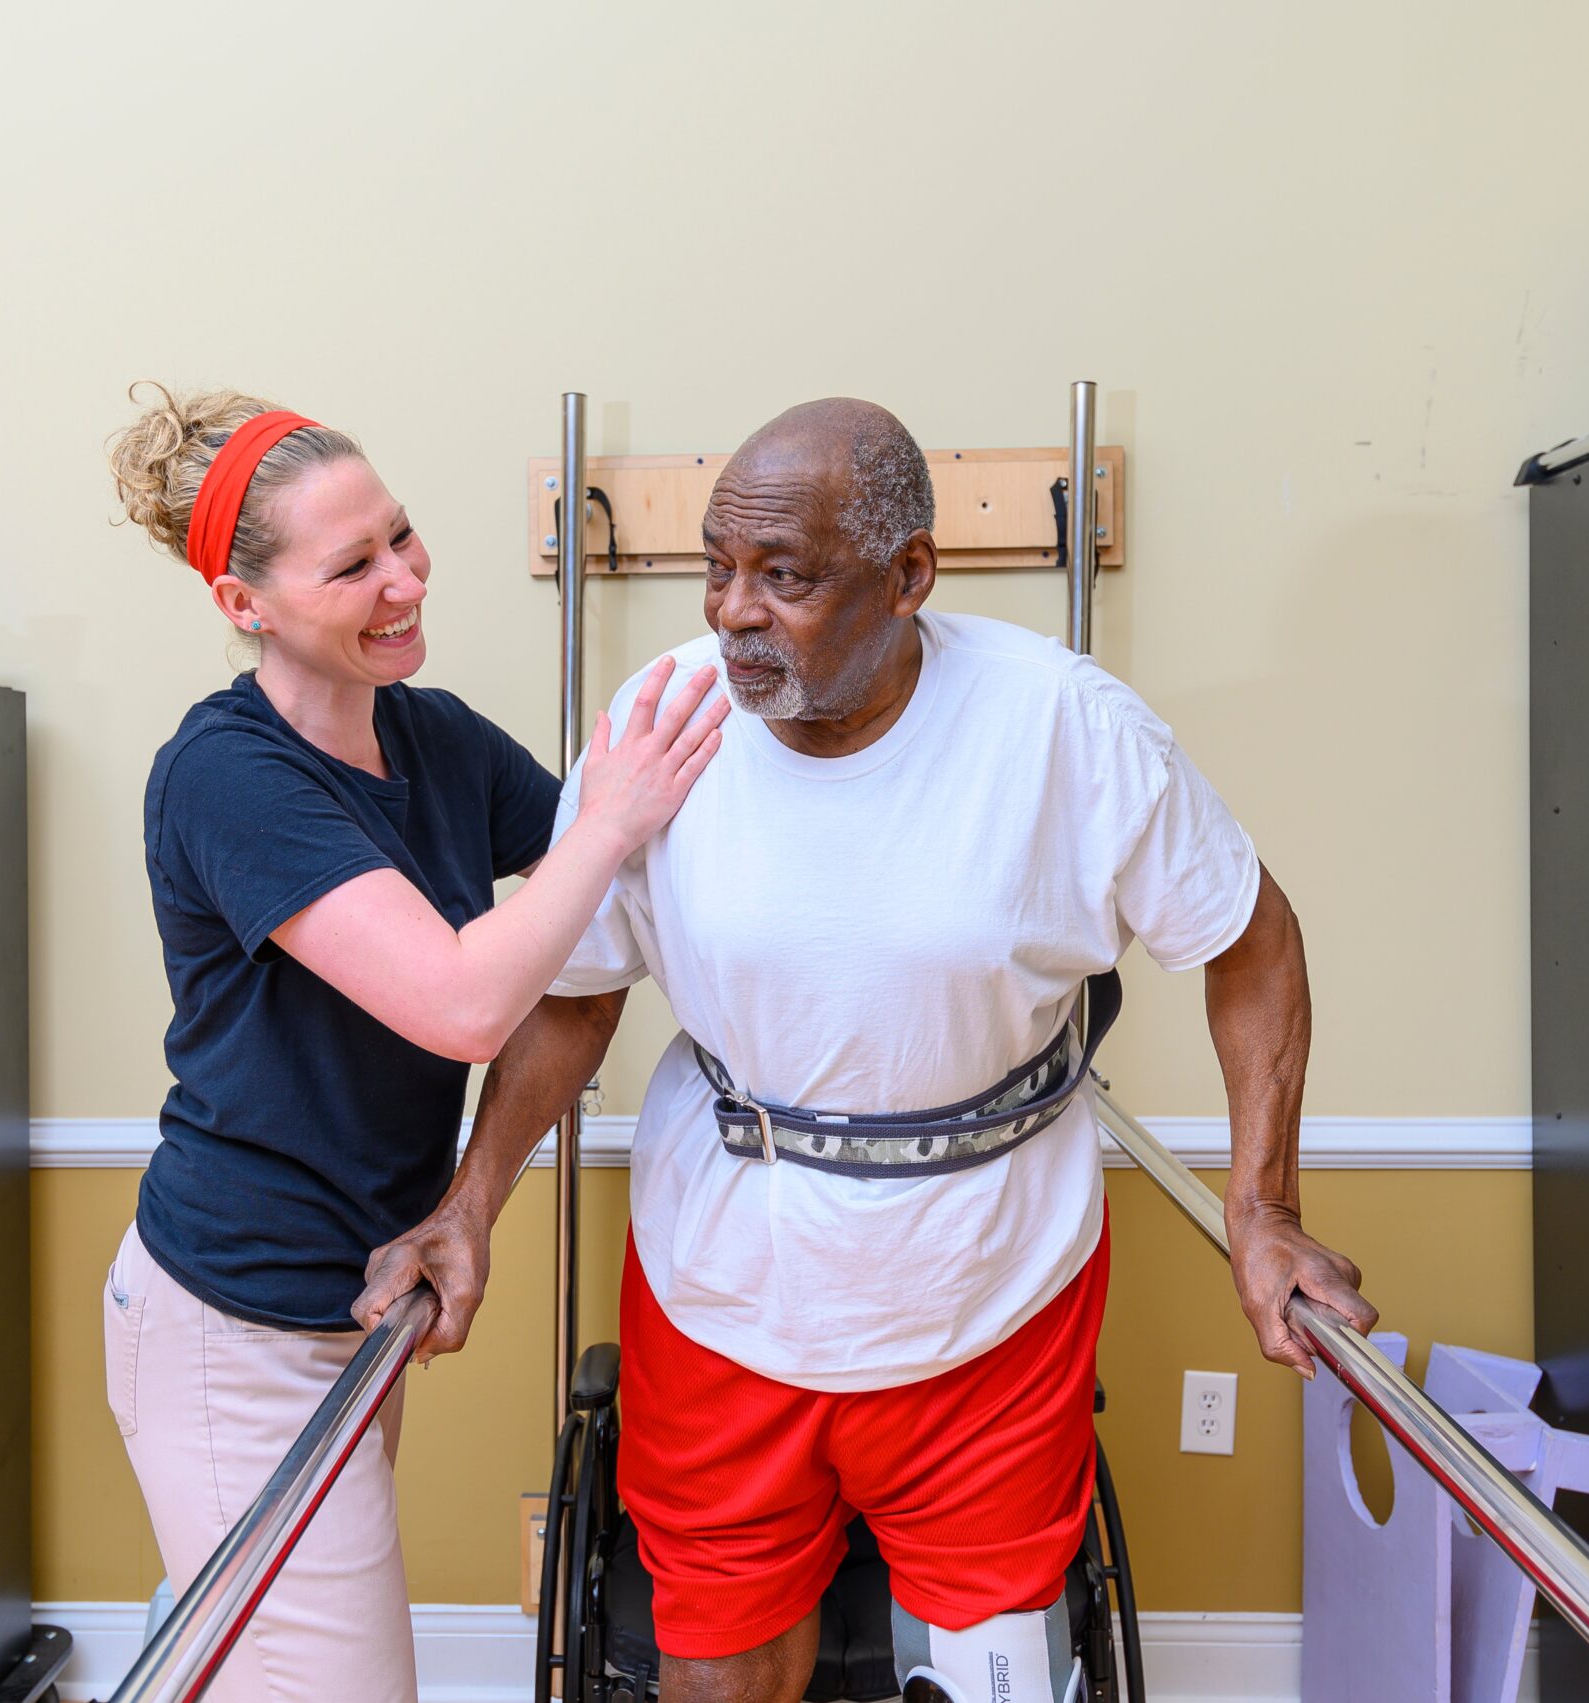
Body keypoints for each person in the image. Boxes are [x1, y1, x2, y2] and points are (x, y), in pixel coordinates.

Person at [357, 398, 1378, 1703]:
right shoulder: (664, 715)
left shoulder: (1064, 728)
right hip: (722, 1282)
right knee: (716, 1675)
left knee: (994, 1678)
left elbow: (1253, 940)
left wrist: (1266, 1206)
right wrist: (470, 1205)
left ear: (908, 579)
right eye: (716, 568)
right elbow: (574, 992)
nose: (732, 611)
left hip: (991, 1292)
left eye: (783, 578)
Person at [100, 385, 726, 1703]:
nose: (403, 581)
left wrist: (472, 1200)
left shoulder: (434, 743)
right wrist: (610, 820)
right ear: (242, 605)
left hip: (352, 1302)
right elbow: (462, 1001)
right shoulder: (227, 775)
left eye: (401, 536)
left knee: (259, 1661)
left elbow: (591, 943)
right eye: (352, 565)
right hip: (233, 1325)